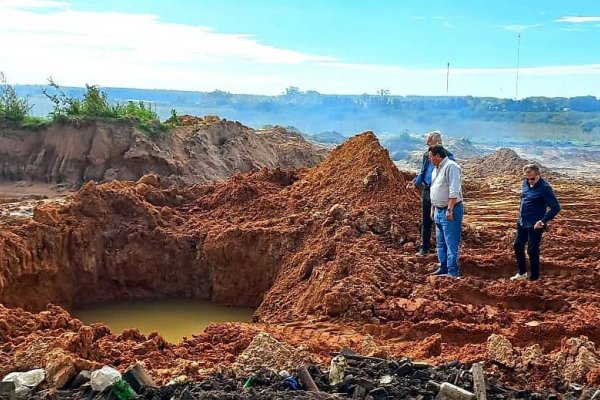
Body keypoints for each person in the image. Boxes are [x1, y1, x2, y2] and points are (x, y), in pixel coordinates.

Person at [406, 131, 454, 256]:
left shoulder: (448, 157)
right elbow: (423, 172)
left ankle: (444, 251)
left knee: (442, 221)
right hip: (427, 190)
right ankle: (424, 248)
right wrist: (415, 182)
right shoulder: (426, 156)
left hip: (440, 191)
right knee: (426, 220)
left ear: (437, 143)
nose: (427, 143)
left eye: (429, 141)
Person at [510, 164, 560, 281]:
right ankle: (522, 273)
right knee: (517, 246)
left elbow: (556, 207)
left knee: (532, 250)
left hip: (535, 224)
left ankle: (534, 278)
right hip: (522, 221)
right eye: (527, 178)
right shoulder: (525, 183)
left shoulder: (545, 188)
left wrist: (542, 221)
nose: (530, 181)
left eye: (532, 178)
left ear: (538, 175)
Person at [428, 145, 463, 278]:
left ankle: (452, 272)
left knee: (450, 242)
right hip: (438, 209)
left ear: (437, 156)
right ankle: (443, 267)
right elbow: (434, 190)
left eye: (431, 156)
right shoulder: (435, 170)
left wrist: (450, 209)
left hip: (450, 210)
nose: (429, 159)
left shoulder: (451, 167)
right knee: (441, 242)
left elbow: (454, 190)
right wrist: (433, 208)